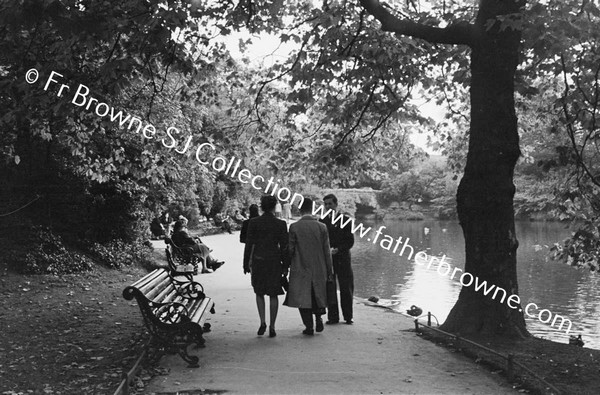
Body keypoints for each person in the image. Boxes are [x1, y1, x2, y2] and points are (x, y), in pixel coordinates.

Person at [285, 198, 333, 335]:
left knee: (303, 296)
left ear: (299, 210)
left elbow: (290, 249)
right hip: (319, 267)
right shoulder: (322, 227)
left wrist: (286, 265)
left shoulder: (294, 227)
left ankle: (309, 326)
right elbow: (326, 251)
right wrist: (330, 270)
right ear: (313, 209)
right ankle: (318, 317)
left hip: (301, 267)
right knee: (317, 294)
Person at [243, 196, 288, 338]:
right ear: (275, 207)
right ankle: (272, 326)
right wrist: (286, 265)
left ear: (261, 206)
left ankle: (262, 321)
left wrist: (245, 263)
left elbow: (249, 244)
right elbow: (284, 247)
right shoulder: (280, 224)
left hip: (259, 261)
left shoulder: (254, 223)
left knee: (259, 292)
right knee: (273, 294)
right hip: (274, 261)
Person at [319, 193, 355, 324]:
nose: (328, 206)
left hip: (343, 257)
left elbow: (350, 241)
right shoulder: (322, 221)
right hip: (328, 259)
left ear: (336, 205)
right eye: (326, 204)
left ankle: (348, 317)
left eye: (330, 204)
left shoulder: (345, 220)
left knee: (346, 287)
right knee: (330, 287)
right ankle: (333, 317)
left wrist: (338, 249)